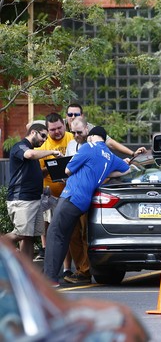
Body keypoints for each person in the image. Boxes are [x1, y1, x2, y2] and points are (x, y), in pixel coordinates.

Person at [44, 126, 131, 287]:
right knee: (64, 236)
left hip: (71, 196)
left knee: (55, 234)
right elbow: (127, 169)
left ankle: (49, 279)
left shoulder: (87, 147)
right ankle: (53, 277)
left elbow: (67, 170)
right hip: (84, 201)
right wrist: (106, 173)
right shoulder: (110, 156)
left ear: (91, 137)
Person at [4, 123, 63, 260]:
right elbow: (29, 154)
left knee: (29, 237)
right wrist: (52, 152)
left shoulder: (33, 153)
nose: (44, 140)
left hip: (34, 199)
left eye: (46, 138)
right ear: (33, 132)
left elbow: (36, 174)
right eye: (43, 136)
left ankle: (27, 272)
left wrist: (54, 168)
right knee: (22, 234)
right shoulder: (20, 146)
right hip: (22, 199)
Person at [34, 113, 74, 262]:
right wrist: (52, 167)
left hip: (71, 192)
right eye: (53, 130)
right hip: (51, 193)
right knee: (49, 227)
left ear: (64, 125)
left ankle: (67, 268)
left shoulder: (72, 138)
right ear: (47, 130)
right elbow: (38, 174)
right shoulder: (43, 146)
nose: (57, 132)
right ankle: (44, 249)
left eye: (59, 128)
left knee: (67, 232)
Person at [60, 117, 92, 284]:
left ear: (87, 129)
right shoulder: (72, 144)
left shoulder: (93, 143)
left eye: (79, 132)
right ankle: (81, 269)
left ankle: (86, 270)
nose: (76, 135)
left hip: (87, 193)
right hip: (72, 192)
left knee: (85, 233)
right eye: (73, 132)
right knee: (72, 234)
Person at [65, 103, 146, 158]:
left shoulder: (91, 129)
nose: (73, 117)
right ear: (66, 116)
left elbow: (110, 143)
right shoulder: (59, 126)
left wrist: (132, 154)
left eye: (76, 114)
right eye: (70, 114)